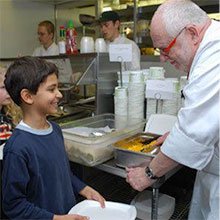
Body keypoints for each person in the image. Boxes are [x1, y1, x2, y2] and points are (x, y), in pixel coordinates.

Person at [126, 1, 219, 220]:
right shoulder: (207, 48)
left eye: (165, 49)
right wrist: (176, 135)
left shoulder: (215, 56)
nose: (162, 58)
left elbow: (192, 132)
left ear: (192, 33)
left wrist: (148, 174)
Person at [2, 56, 105, 220]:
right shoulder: (17, 148)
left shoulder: (55, 130)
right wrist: (55, 218)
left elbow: (62, 173)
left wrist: (84, 188)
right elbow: (13, 206)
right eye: (51, 89)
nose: (59, 94)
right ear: (28, 96)